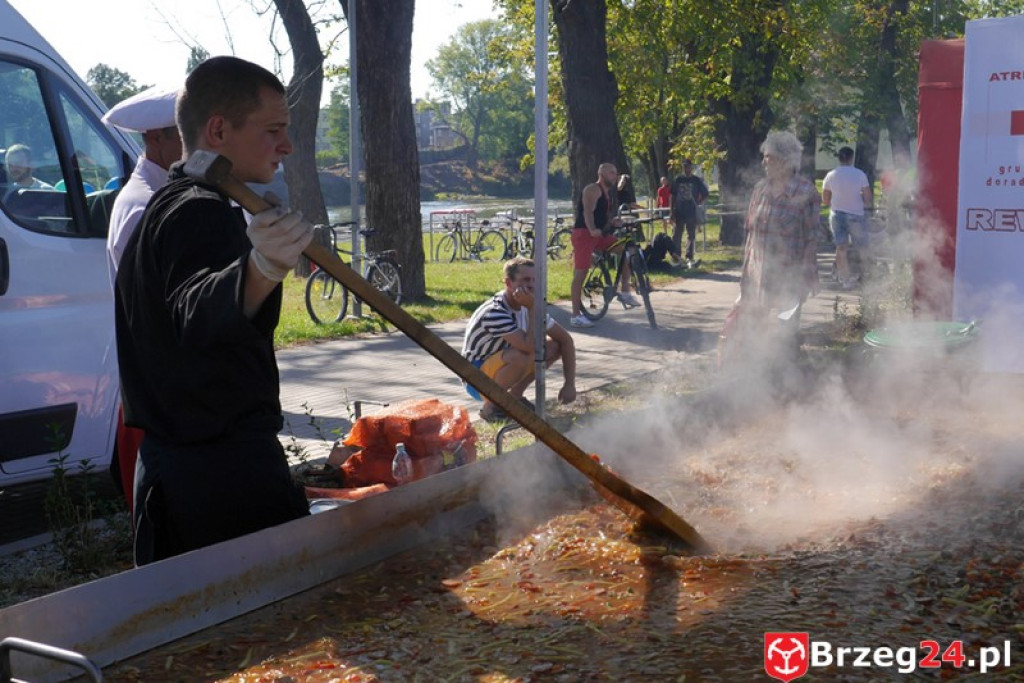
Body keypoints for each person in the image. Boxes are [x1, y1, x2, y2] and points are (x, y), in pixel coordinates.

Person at [115, 56, 313, 565]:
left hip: (183, 475)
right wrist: (262, 268)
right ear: (218, 130)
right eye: (273, 130)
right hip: (219, 485)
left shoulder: (167, 204)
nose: (286, 146)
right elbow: (198, 312)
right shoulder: (196, 211)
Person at [103, 85, 183, 513]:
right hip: (155, 391)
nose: (192, 145)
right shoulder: (143, 205)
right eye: (181, 134)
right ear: (155, 138)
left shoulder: (156, 196)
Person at [720, 131, 820, 367]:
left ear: (786, 161)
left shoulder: (806, 193)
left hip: (788, 279)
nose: (764, 161)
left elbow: (812, 238)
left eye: (770, 157)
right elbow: (750, 236)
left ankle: (787, 387)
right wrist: (744, 279)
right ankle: (758, 384)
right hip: (757, 279)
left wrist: (808, 275)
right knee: (755, 335)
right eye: (765, 157)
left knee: (784, 336)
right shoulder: (760, 190)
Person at [462, 257, 577, 422]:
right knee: (522, 355)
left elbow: (566, 340)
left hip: (501, 365)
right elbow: (529, 346)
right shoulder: (495, 311)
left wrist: (569, 384)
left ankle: (515, 397)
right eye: (525, 280)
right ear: (509, 283)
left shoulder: (531, 305)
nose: (531, 285)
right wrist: (532, 308)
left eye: (534, 280)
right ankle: (491, 408)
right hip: (475, 378)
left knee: (553, 345)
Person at [569, 162, 641, 329]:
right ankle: (575, 316)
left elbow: (600, 214)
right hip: (584, 234)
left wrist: (612, 221)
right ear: (601, 173)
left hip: (599, 235)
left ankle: (625, 291)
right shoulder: (593, 189)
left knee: (625, 251)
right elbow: (587, 211)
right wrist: (592, 228)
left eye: (615, 173)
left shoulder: (608, 193)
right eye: (611, 173)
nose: (614, 176)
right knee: (580, 273)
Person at [821, 146, 873, 289]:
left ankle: (845, 280)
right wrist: (866, 205)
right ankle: (866, 276)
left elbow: (825, 200)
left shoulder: (831, 175)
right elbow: (868, 197)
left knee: (841, 247)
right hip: (856, 214)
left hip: (837, 214)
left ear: (839, 158)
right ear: (852, 158)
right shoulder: (860, 174)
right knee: (862, 247)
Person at [669, 158, 708, 268]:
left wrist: (698, 204)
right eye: (685, 166)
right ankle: (677, 258)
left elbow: (705, 193)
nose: (687, 168)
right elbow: (672, 196)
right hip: (679, 212)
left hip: (691, 212)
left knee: (691, 235)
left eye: (688, 166)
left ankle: (689, 258)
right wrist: (671, 211)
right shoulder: (678, 180)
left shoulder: (696, 180)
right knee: (677, 235)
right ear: (683, 167)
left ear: (691, 167)